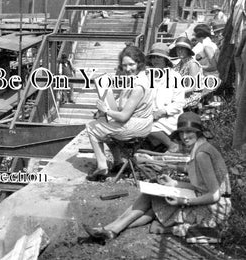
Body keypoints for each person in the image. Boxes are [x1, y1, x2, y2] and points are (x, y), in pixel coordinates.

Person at [83, 112, 231, 241]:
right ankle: (109, 231)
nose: (184, 137)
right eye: (181, 132)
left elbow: (214, 195)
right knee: (153, 199)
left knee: (154, 204)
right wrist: (174, 184)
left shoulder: (202, 155)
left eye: (189, 132)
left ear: (199, 132)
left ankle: (109, 230)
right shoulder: (199, 148)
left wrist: (185, 200)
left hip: (214, 209)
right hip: (204, 199)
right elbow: (202, 185)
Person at [86, 45, 153, 181]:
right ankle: (118, 162)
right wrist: (104, 110)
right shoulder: (138, 79)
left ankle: (102, 165)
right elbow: (124, 107)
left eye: (131, 64)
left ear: (139, 63)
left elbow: (123, 117)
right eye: (124, 66)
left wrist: (106, 110)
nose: (128, 69)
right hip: (141, 123)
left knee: (91, 127)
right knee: (106, 124)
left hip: (137, 126)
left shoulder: (138, 86)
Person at [145, 43, 185, 152]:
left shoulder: (175, 77)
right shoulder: (147, 76)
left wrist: (162, 112)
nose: (155, 60)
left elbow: (179, 102)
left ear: (165, 60)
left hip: (169, 116)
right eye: (153, 57)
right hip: (150, 114)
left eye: (159, 57)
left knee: (146, 126)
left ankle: (171, 144)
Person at [170, 37, 203, 110]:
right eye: (178, 49)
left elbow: (191, 87)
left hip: (192, 96)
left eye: (182, 49)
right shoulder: (178, 64)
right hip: (180, 94)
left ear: (188, 51)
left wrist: (174, 94)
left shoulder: (192, 64)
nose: (180, 51)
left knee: (171, 106)